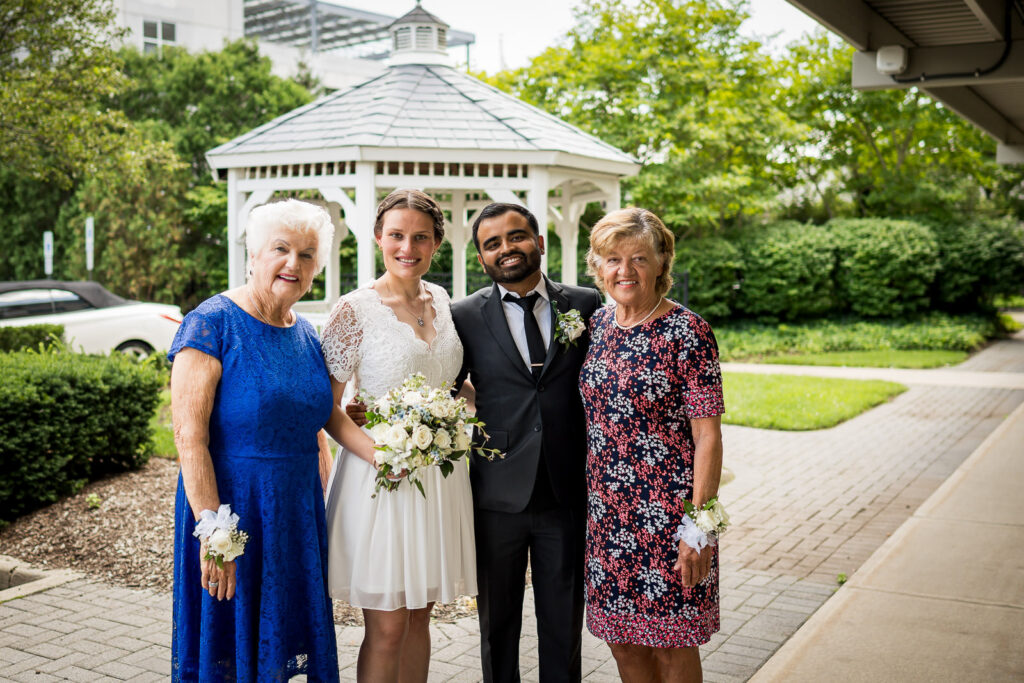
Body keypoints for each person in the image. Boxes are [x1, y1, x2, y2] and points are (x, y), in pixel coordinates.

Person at [169, 199, 339, 682]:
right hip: (232, 512)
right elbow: (188, 438)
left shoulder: (306, 332)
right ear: (253, 255)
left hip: (294, 513)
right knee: (232, 640)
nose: (294, 263)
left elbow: (312, 419)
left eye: (307, 255)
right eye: (281, 249)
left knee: (284, 637)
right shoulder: (212, 323)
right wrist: (213, 532)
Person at [320, 189, 476, 682]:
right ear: (378, 238)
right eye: (396, 235)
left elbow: (457, 386)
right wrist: (382, 454)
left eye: (420, 238)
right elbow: (327, 407)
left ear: (436, 245)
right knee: (387, 627)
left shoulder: (445, 303)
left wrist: (461, 417)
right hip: (381, 480)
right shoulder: (354, 309)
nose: (408, 247)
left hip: (438, 478)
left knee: (420, 617)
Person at [451, 202, 603, 683]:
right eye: (491, 243)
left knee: (563, 621)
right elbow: (445, 388)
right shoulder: (464, 315)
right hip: (497, 492)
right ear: (481, 257)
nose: (505, 249)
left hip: (566, 487)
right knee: (498, 623)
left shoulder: (586, 304)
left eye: (515, 237)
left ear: (538, 241)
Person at [579, 208, 725, 683]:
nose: (625, 271)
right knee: (623, 646)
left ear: (662, 263)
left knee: (672, 650)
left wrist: (697, 528)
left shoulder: (688, 333)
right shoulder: (595, 326)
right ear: (596, 266)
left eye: (639, 258)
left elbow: (708, 435)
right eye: (612, 259)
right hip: (607, 519)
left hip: (669, 520)